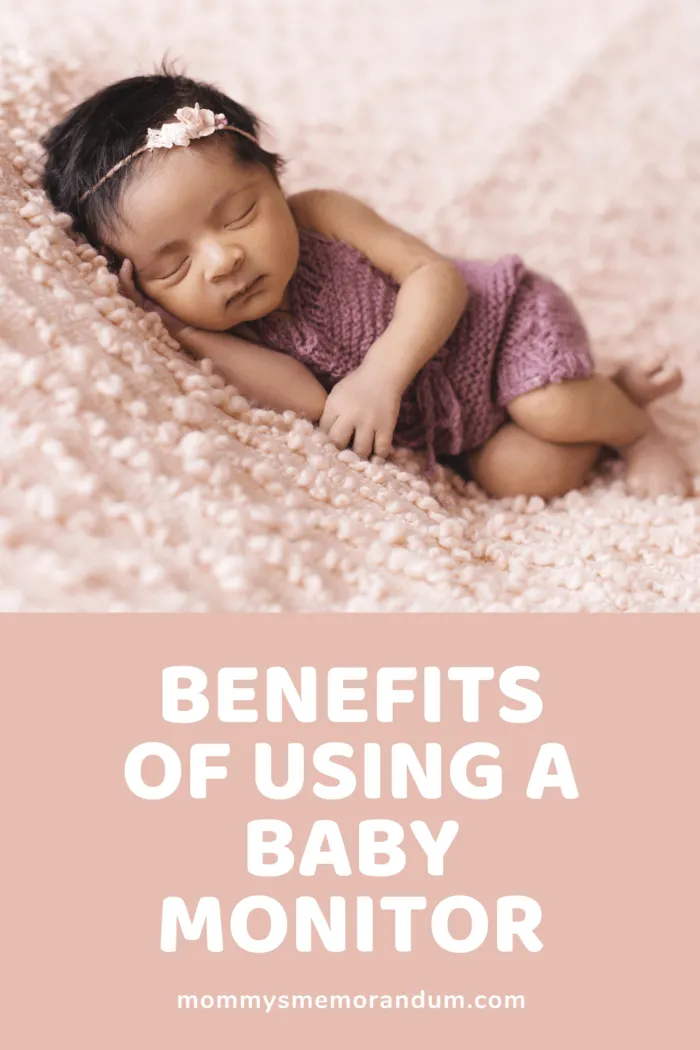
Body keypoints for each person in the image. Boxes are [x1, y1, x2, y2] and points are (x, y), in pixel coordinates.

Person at [41, 68, 691, 499]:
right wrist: (181, 329)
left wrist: (380, 376)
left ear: (275, 181)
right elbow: (305, 400)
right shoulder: (223, 324)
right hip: (471, 427)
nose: (222, 262)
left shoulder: (322, 216)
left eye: (238, 215)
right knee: (526, 475)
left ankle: (636, 428)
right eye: (172, 266)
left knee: (549, 407)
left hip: (505, 325)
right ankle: (605, 385)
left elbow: (436, 277)